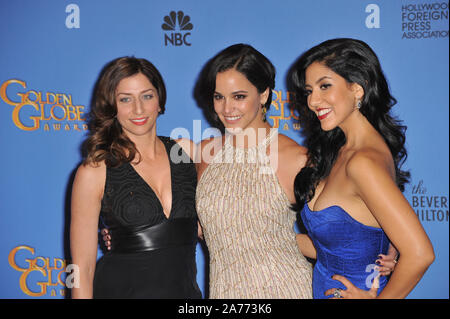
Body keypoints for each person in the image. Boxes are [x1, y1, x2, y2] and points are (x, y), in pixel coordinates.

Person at [290, 38, 434, 299]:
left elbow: (420, 253)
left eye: (325, 86)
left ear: (357, 89)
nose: (313, 100)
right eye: (309, 90)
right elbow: (334, 249)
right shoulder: (343, 151)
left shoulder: (363, 162)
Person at [70, 56, 201, 299]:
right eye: (125, 99)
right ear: (112, 105)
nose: (138, 109)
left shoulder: (186, 153)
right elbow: (82, 268)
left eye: (147, 96)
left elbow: (213, 224)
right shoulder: (95, 170)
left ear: (160, 100)